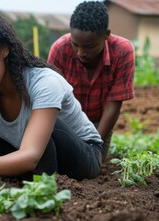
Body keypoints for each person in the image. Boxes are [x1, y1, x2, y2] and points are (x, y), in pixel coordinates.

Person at [0, 10, 103, 191]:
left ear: (4, 49)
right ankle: (23, 175)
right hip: (28, 152)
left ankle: (41, 192)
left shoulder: (44, 82)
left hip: (82, 156)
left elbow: (32, 155)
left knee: (47, 134)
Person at [47, 1, 135, 162]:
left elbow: (114, 104)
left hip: (100, 123)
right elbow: (52, 100)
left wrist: (95, 144)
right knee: (64, 166)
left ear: (106, 35)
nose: (81, 53)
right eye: (75, 45)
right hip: (66, 121)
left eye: (89, 46)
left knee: (93, 168)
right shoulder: (60, 49)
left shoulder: (123, 51)